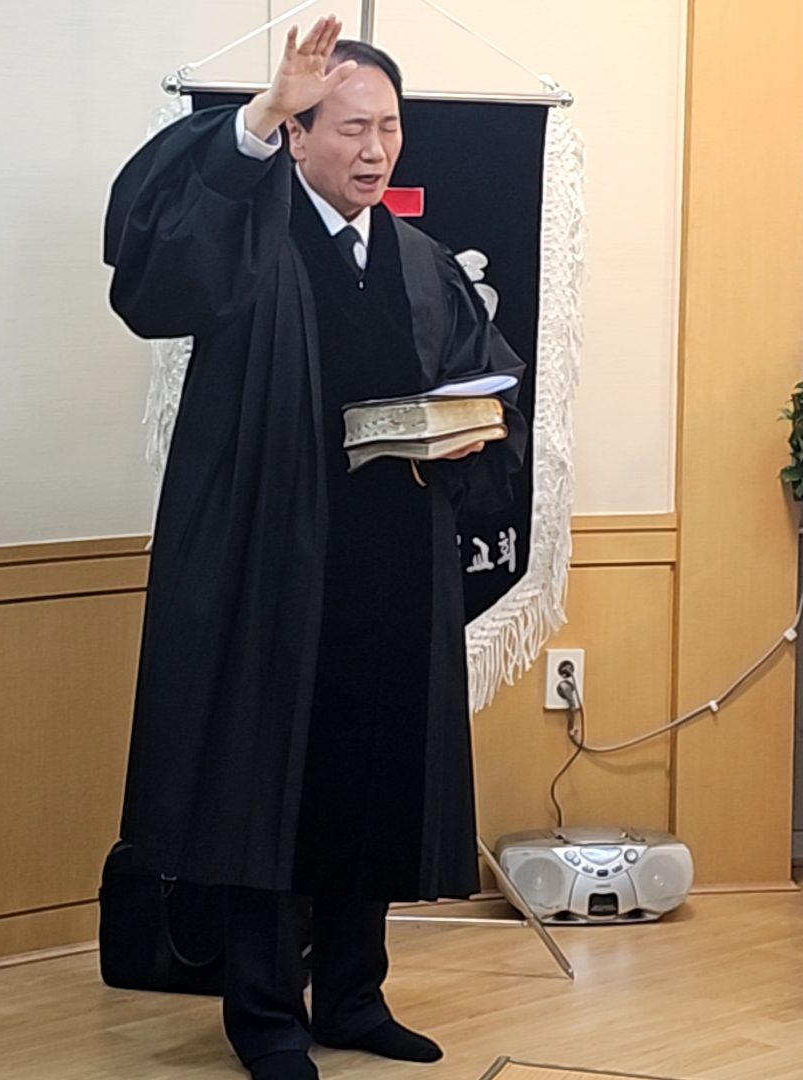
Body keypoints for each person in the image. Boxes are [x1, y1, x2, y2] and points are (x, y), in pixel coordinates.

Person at [102, 15, 527, 1080]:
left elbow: (488, 380)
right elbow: (151, 281)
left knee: (376, 775)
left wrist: (472, 429)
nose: (375, 150)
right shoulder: (249, 239)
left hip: (393, 564)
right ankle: (264, 1016)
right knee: (267, 788)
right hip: (273, 564)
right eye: (349, 129)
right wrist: (252, 116)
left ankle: (352, 995)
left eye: (389, 128)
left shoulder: (421, 261)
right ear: (297, 136)